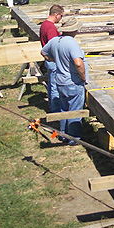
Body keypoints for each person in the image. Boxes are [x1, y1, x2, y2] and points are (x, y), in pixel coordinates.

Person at [41, 17, 88, 145]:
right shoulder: (71, 43)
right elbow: (78, 63)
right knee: (74, 111)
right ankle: (74, 139)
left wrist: (55, 60)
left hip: (60, 81)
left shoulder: (56, 41)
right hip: (73, 82)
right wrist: (83, 77)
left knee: (64, 109)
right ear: (74, 30)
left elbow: (43, 52)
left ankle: (63, 134)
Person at [39, 4, 64, 116]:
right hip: (53, 60)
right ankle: (56, 110)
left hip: (49, 60)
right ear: (56, 15)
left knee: (51, 84)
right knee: (55, 86)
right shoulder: (50, 28)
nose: (61, 18)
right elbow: (54, 45)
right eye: (61, 16)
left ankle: (51, 105)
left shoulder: (44, 24)